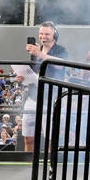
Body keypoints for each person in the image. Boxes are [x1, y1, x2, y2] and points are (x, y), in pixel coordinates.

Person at [22, 21, 69, 152]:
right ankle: (28, 163)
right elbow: (33, 72)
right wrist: (23, 77)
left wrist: (40, 54)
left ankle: (50, 164)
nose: (43, 37)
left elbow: (62, 65)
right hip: (33, 96)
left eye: (47, 34)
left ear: (54, 34)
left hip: (50, 98)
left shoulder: (60, 50)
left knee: (50, 137)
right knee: (28, 136)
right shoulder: (37, 50)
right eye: (41, 33)